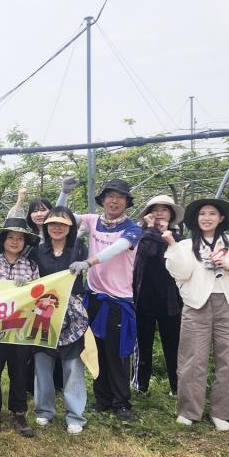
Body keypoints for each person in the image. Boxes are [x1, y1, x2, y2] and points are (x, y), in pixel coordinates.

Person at [163, 198, 229, 431]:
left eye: (212, 214)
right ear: (196, 219)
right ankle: (189, 410)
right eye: (202, 214)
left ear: (221, 218)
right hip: (197, 305)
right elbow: (180, 273)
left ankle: (223, 412)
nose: (207, 218)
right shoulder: (186, 245)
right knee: (191, 359)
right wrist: (172, 246)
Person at [66, 179, 142, 422]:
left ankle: (122, 402)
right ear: (103, 200)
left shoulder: (132, 228)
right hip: (95, 297)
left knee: (117, 353)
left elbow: (117, 248)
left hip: (118, 300)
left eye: (120, 197)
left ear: (127, 202)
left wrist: (88, 263)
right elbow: (59, 218)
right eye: (110, 196)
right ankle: (102, 399)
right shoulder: (92, 220)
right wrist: (63, 194)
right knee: (96, 350)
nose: (114, 201)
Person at [0, 216, 40, 437]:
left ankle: (19, 411)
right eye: (11, 237)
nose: (15, 242)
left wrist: (29, 288)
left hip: (21, 328)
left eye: (20, 238)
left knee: (20, 370)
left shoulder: (31, 265)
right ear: (3, 240)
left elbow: (38, 293)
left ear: (25, 242)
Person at [30, 207, 90, 435]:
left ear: (70, 228)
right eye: (52, 223)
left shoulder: (79, 249)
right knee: (43, 362)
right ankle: (44, 410)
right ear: (45, 226)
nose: (57, 228)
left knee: (73, 364)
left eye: (63, 224)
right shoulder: (37, 251)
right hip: (43, 312)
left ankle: (75, 415)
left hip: (73, 315)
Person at [132, 196, 184, 395]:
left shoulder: (178, 238)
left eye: (164, 209)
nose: (160, 212)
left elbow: (173, 261)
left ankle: (177, 387)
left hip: (171, 301)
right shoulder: (141, 235)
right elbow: (147, 251)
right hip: (143, 298)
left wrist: (164, 235)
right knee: (143, 346)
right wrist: (152, 230)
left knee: (173, 346)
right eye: (155, 209)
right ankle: (140, 386)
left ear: (171, 214)